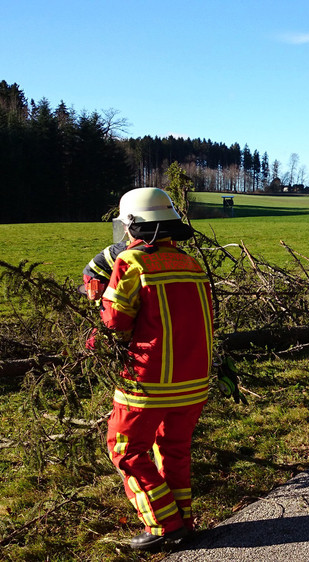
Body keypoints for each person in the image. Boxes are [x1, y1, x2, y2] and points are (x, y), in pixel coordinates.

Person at [98, 187, 214, 551]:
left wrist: (98, 295)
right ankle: (183, 519)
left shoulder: (132, 262)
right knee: (174, 448)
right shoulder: (191, 263)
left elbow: (115, 321)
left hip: (149, 380)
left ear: (133, 225)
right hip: (195, 379)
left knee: (124, 447)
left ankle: (164, 523)